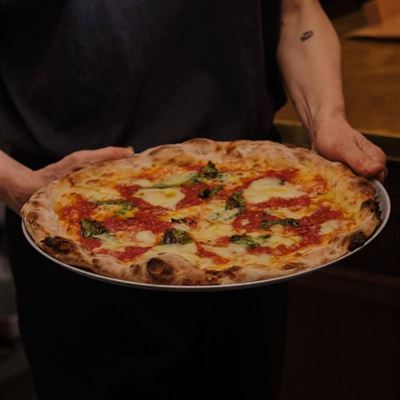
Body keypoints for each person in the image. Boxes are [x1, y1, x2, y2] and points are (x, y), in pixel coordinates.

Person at [0, 1, 386, 399]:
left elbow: (295, 12)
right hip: (75, 233)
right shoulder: (64, 214)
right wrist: (19, 184)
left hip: (256, 224)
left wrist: (327, 118)